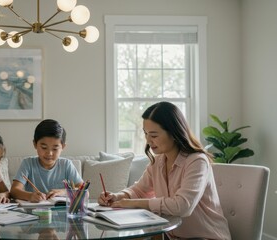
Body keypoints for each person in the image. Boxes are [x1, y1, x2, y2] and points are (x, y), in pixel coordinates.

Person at [98, 101, 231, 240]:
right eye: (146, 134)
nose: (148, 141)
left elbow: (183, 206)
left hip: (206, 237)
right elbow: (139, 190)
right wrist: (117, 196)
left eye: (154, 135)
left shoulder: (197, 161)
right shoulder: (158, 161)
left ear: (173, 133)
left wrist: (135, 203)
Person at [10, 119, 83, 202]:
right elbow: (14, 191)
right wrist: (30, 196)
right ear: (35, 144)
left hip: (60, 212)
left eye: (55, 149)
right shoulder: (28, 164)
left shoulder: (66, 164)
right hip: (34, 212)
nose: (49, 153)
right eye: (44, 148)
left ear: (63, 147)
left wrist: (64, 192)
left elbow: (84, 191)